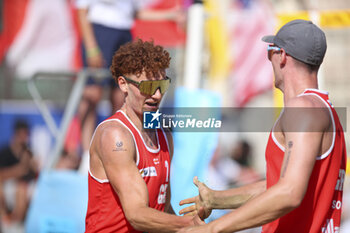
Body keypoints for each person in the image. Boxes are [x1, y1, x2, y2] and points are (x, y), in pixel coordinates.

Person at [177, 19, 347, 233]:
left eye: (270, 53)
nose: (269, 60)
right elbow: (281, 184)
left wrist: (212, 229)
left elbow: (289, 192)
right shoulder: (323, 109)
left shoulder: (303, 108)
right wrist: (217, 198)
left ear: (282, 56)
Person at [85, 39, 202, 232]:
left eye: (162, 86)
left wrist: (199, 216)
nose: (156, 95)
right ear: (123, 84)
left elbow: (161, 209)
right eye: (148, 87)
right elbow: (137, 214)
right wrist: (190, 225)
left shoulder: (164, 137)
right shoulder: (115, 135)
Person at [73, 0, 186, 171]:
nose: (156, 94)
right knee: (92, 94)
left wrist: (167, 15)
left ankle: (114, 149)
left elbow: (134, 12)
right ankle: (86, 155)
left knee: (121, 96)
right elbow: (81, 10)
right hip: (99, 30)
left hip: (124, 33)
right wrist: (91, 48)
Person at [0, 120, 38, 224]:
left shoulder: (29, 152)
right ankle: (9, 221)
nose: (24, 139)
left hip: (24, 187)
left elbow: (36, 173)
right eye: (22, 135)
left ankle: (16, 223)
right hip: (8, 186)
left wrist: (32, 164)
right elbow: (2, 174)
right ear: (16, 134)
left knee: (22, 189)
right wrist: (20, 169)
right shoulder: (5, 152)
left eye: (26, 135)